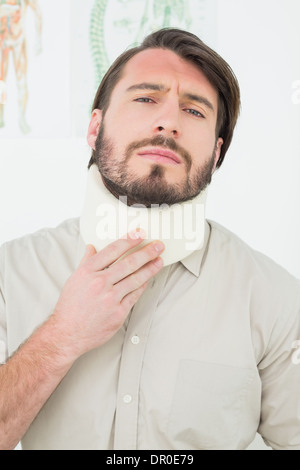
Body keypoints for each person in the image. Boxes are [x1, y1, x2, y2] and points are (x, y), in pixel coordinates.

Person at [0, 28, 299, 451]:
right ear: (94, 127)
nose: (169, 122)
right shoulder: (9, 275)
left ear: (216, 154)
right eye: (145, 98)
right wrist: (61, 336)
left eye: (195, 111)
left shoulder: (275, 299)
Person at [0, 0, 42, 133]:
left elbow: (37, 12)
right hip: (2, 41)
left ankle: (22, 118)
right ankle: (1, 115)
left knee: (21, 81)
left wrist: (39, 39)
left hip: (18, 42)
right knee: (1, 82)